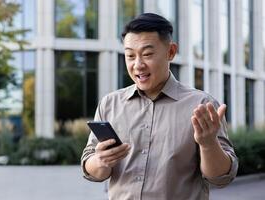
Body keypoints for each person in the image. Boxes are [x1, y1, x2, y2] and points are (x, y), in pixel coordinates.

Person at [81, 13, 238, 200]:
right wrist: (100, 161)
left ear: (170, 52)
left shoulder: (202, 106)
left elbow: (220, 177)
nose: (138, 65)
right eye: (130, 55)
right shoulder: (110, 104)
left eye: (147, 54)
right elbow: (91, 168)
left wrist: (208, 144)